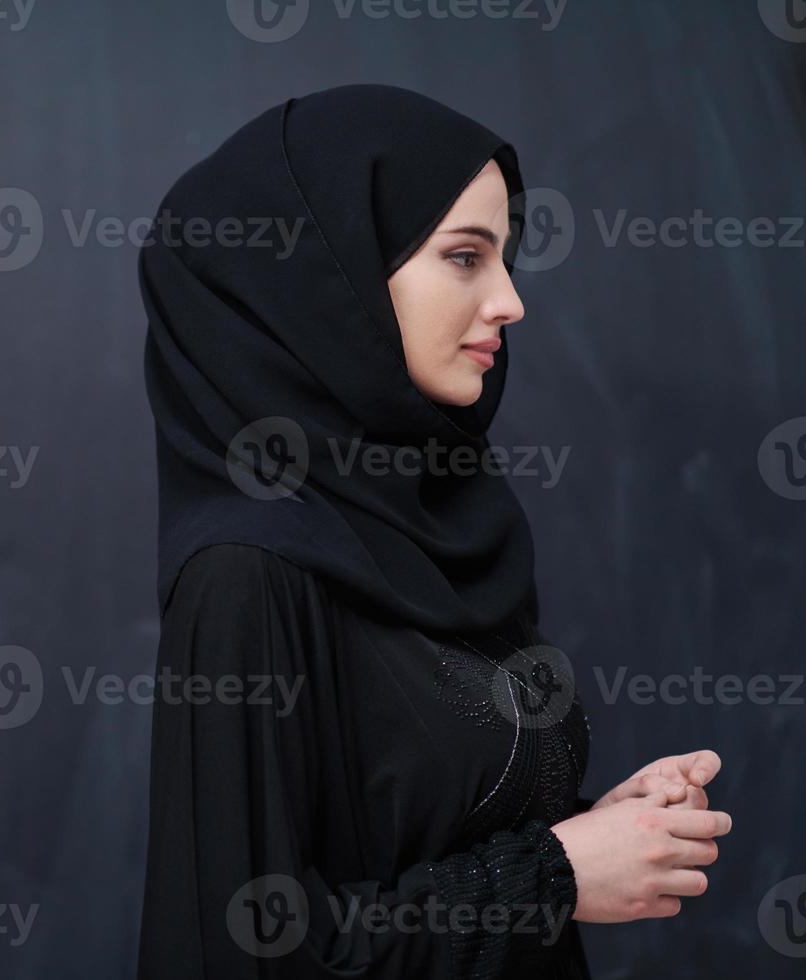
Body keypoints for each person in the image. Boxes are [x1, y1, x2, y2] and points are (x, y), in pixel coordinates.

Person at [135, 84, 731, 979]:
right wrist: (555, 875)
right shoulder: (248, 573)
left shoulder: (441, 531)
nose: (510, 302)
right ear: (327, 279)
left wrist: (598, 829)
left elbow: (414, 833)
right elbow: (253, 951)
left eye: (506, 259)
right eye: (464, 257)